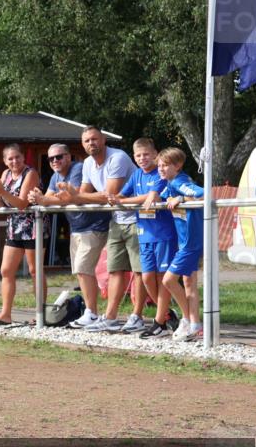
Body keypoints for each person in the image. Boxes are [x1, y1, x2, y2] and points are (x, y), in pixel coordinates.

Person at [58, 126, 147, 332]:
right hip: (117, 219)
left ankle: (138, 316)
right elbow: (85, 194)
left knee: (139, 271)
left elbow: (109, 193)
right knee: (114, 270)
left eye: (95, 139)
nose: (92, 143)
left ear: (104, 139)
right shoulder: (88, 163)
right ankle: (111, 317)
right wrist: (72, 196)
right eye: (87, 140)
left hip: (139, 219)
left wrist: (76, 196)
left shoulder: (118, 157)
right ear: (82, 144)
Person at [28, 144, 110, 327]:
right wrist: (37, 198)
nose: (55, 161)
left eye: (59, 157)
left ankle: (92, 313)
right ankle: (91, 311)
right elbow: (48, 199)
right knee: (81, 271)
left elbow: (69, 198)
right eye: (51, 159)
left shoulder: (78, 168)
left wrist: (44, 199)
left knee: (83, 268)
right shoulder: (56, 176)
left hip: (95, 226)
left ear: (68, 157)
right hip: (77, 228)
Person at [107, 138, 179, 337]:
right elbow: (122, 195)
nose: (142, 158)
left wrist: (124, 201)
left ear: (155, 154)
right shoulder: (136, 174)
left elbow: (150, 196)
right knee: (146, 277)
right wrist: (116, 199)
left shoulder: (161, 172)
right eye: (138, 155)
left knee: (161, 278)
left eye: (146, 154)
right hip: (144, 233)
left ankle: (158, 322)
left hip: (163, 233)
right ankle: (165, 315)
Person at [0, 143, 47, 327]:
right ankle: (5, 314)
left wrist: (1, 191)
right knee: (6, 270)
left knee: (34, 271)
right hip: (14, 227)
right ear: (5, 161)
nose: (14, 161)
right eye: (10, 158)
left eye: (17, 157)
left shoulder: (30, 173)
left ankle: (41, 313)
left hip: (33, 226)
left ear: (23, 158)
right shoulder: (5, 175)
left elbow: (22, 204)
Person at [143, 147, 205, 342]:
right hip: (185, 241)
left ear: (177, 166)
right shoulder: (171, 182)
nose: (161, 169)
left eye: (165, 165)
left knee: (168, 280)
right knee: (188, 283)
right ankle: (195, 325)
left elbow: (202, 194)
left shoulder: (180, 181)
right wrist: (154, 194)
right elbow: (159, 193)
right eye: (159, 165)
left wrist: (181, 198)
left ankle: (186, 319)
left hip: (190, 243)